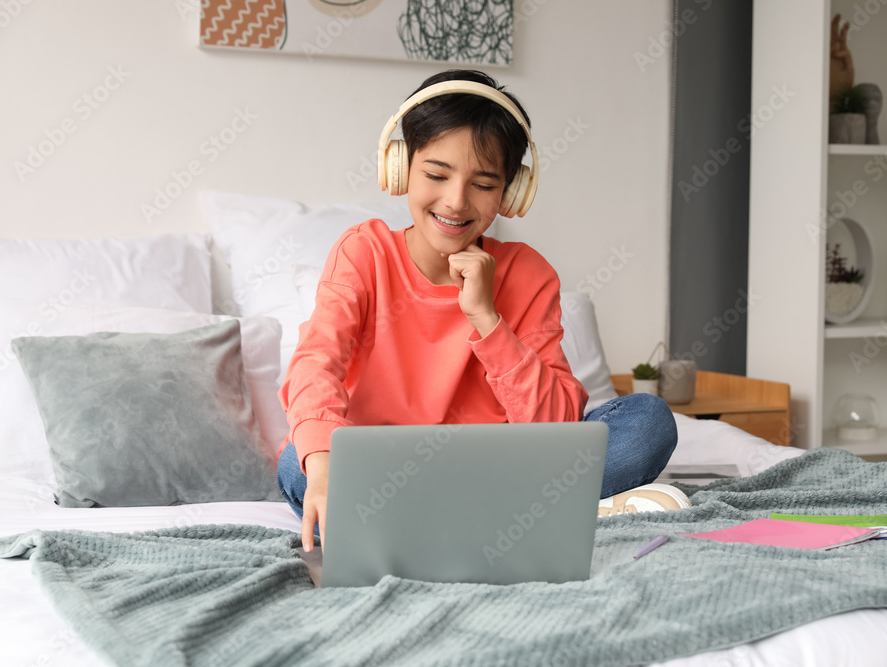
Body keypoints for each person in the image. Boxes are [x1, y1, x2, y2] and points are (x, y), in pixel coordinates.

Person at [277, 69, 680, 553]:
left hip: (496, 466)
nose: (455, 201)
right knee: (296, 463)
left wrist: (487, 319)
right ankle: (516, 516)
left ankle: (427, 526)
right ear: (401, 168)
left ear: (511, 194)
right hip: (383, 468)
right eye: (436, 174)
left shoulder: (528, 274)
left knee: (648, 421)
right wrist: (322, 463)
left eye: (484, 184)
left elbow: (558, 429)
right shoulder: (364, 253)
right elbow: (316, 365)